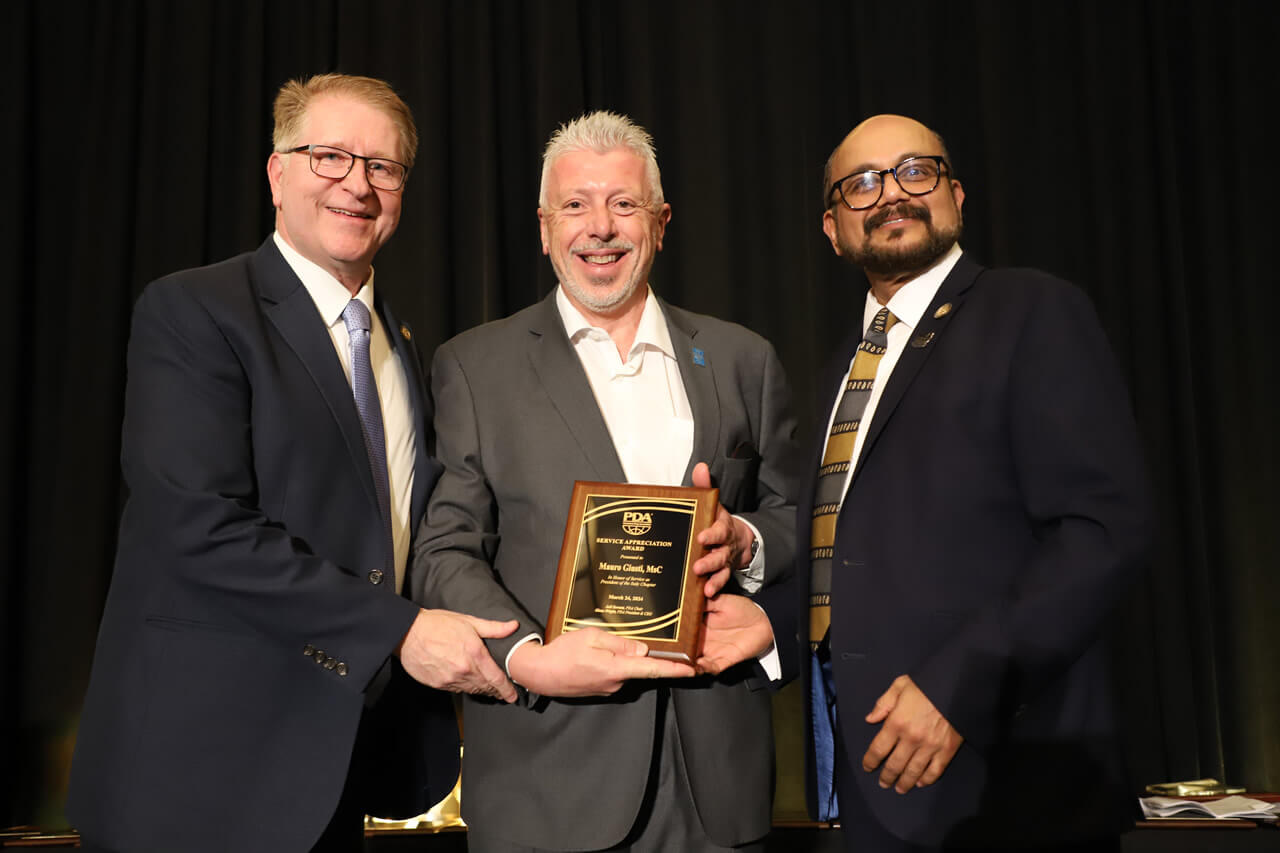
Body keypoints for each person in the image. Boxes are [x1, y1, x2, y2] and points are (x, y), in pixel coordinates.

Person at [67, 73, 518, 853]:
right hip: (198, 773)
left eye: (382, 166)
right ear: (277, 174)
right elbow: (199, 527)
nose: (358, 184)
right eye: (329, 156)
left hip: (332, 771)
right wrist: (401, 631)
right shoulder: (195, 311)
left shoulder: (403, 345)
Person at [411, 110, 800, 852]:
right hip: (548, 776)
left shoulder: (742, 358)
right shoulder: (474, 366)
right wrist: (527, 657)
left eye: (624, 204)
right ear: (544, 227)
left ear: (661, 222)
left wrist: (745, 539)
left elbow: (796, 520)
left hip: (717, 782)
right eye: (575, 205)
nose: (600, 227)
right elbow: (444, 551)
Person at [801, 114, 1152, 852]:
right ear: (833, 229)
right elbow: (847, 558)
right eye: (862, 184)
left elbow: (1101, 531)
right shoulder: (840, 371)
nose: (891, 194)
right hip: (873, 789)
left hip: (1009, 785)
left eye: (915, 171)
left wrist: (957, 689)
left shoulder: (1032, 310)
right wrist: (761, 620)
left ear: (956, 196)